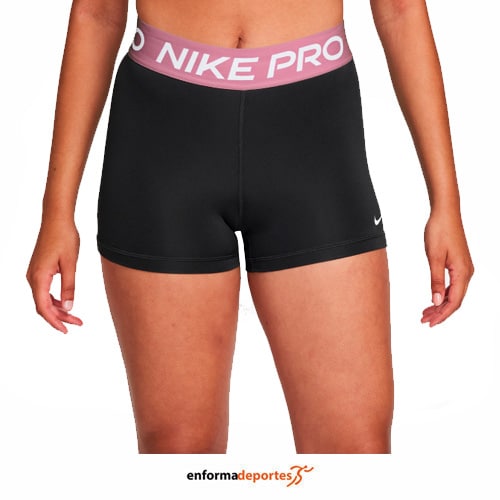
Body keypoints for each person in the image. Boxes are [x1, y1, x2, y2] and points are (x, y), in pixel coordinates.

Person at [26, 0, 473, 454]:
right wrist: (56, 211)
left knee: (354, 450)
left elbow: (400, 9)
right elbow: (97, 13)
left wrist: (447, 204)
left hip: (312, 141)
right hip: (164, 141)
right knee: (179, 452)